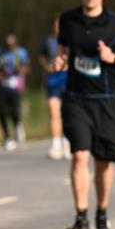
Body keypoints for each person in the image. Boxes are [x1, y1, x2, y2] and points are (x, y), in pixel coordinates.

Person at [53, 0, 115, 229]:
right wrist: (60, 61)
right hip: (76, 98)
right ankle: (80, 218)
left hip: (107, 100)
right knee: (79, 156)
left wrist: (111, 56)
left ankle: (102, 214)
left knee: (104, 162)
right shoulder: (68, 20)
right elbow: (63, 50)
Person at [39, 18, 70, 159]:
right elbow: (42, 56)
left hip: (68, 80)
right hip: (52, 81)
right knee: (54, 112)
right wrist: (47, 67)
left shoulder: (71, 39)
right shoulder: (48, 41)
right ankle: (56, 145)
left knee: (68, 114)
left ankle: (67, 142)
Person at [0, 34, 30, 150]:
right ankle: (6, 137)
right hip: (2, 86)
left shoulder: (21, 52)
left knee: (14, 110)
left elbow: (26, 67)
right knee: (2, 112)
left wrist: (20, 71)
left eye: (11, 45)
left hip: (15, 85)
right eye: (7, 45)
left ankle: (18, 127)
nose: (9, 47)